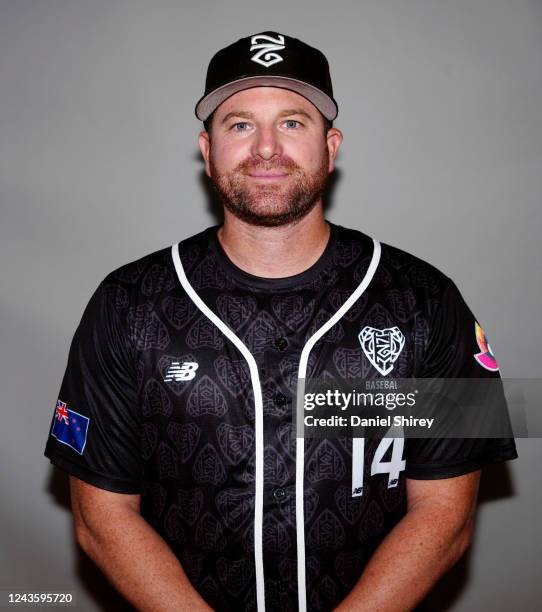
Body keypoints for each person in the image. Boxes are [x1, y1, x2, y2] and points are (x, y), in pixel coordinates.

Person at [44, 31, 517, 612]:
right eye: (240, 125)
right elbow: (101, 519)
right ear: (206, 147)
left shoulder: (428, 299)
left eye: (293, 123)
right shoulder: (126, 303)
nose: (267, 148)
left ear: (332, 144)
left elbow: (445, 517)